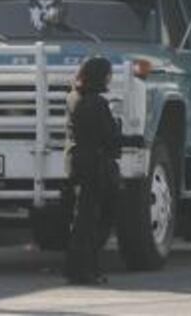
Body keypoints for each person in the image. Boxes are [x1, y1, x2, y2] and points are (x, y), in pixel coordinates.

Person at [64, 57, 121, 284]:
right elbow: (109, 137)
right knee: (97, 220)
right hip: (95, 165)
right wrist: (132, 139)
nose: (109, 78)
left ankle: (78, 268)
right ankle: (86, 269)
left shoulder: (73, 98)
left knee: (82, 219)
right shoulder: (97, 103)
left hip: (77, 161)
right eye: (108, 74)